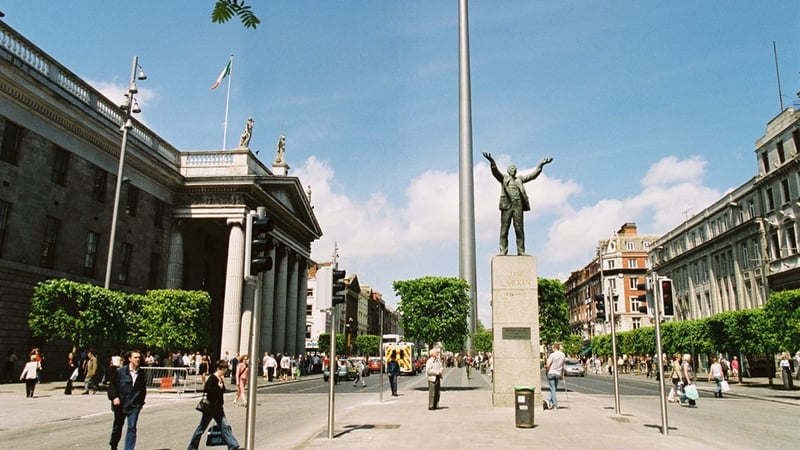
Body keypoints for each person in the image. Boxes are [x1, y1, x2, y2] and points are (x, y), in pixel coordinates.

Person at [482, 152, 553, 255]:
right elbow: (495, 172)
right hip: (507, 206)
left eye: (515, 169)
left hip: (518, 205)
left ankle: (521, 251)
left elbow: (532, 176)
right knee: (504, 229)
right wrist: (492, 162)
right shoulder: (504, 179)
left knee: (519, 229)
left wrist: (540, 165)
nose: (513, 170)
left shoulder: (519, 179)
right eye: (511, 168)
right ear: (508, 170)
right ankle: (503, 250)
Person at [187, 359, 243, 450]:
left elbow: (223, 390)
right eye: (223, 369)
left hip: (218, 407)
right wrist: (218, 387)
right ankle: (192, 447)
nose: (225, 371)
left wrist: (221, 387)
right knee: (201, 428)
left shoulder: (220, 378)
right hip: (211, 406)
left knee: (224, 426)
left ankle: (233, 446)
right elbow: (207, 390)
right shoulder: (213, 378)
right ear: (218, 368)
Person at [108, 349, 147, 450]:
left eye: (139, 357)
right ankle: (113, 445)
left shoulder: (141, 373)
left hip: (134, 405)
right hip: (120, 404)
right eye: (135, 357)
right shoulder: (121, 372)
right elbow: (112, 386)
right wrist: (114, 397)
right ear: (130, 359)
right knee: (117, 427)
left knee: (132, 427)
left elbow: (142, 389)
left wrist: (141, 402)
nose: (138, 359)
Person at [545, 343, 566, 410]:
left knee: (552, 388)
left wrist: (547, 372)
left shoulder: (552, 355)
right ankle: (548, 400)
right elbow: (562, 365)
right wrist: (562, 374)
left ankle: (555, 405)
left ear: (554, 348)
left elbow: (548, 365)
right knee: (554, 389)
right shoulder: (563, 355)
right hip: (558, 373)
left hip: (551, 372)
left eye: (552, 347)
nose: (551, 349)